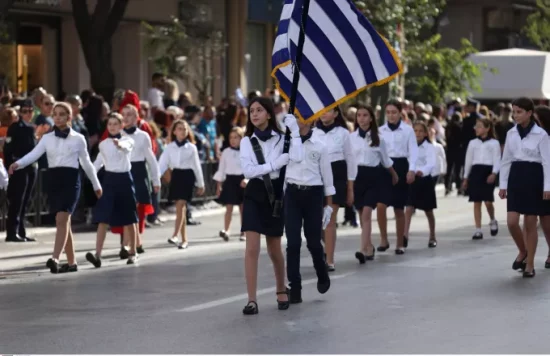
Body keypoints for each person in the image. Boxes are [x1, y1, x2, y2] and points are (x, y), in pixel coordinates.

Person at [8, 102, 102, 273]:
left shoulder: (78, 139)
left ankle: (55, 258)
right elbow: (34, 155)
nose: (58, 117)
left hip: (71, 181)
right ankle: (72, 263)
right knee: (63, 222)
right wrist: (18, 164)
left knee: (62, 219)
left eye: (62, 114)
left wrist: (96, 184)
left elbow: (87, 164)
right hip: (54, 180)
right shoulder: (47, 138)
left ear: (69, 117)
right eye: (55, 114)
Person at [239, 97, 302, 315]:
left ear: (268, 113)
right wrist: (275, 164)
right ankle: (252, 299)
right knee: (252, 248)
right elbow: (248, 171)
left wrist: (294, 132)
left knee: (274, 248)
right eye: (251, 111)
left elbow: (297, 157)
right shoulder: (247, 141)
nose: (254, 114)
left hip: (275, 194)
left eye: (259, 110)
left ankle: (280, 288)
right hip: (254, 193)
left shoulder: (282, 139)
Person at [499, 97, 550, 278]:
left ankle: (529, 265)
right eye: (514, 111)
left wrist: (547, 186)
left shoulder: (541, 135)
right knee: (512, 222)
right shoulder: (511, 133)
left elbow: (547, 162)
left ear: (529, 113)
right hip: (516, 177)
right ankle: (523, 250)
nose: (515, 115)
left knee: (530, 223)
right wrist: (503, 184)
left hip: (534, 177)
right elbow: (505, 160)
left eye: (519, 112)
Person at [285, 118, 333, 304]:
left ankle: (321, 272)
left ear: (311, 120)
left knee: (313, 242)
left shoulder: (320, 146)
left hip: (313, 194)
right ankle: (295, 287)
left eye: (301, 117)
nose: (297, 120)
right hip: (293, 194)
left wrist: (328, 205)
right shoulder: (287, 143)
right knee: (293, 243)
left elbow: (327, 178)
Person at [86, 113, 139, 267]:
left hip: (124, 180)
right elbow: (98, 163)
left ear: (121, 126)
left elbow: (126, 148)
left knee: (130, 217)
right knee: (103, 218)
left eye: (116, 124)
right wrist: (90, 174)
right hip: (109, 181)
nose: (112, 127)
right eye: (110, 124)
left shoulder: (128, 140)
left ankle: (133, 252)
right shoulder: (103, 144)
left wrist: (119, 145)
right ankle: (97, 255)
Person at [350, 105, 397, 263]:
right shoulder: (351, 137)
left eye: (365, 115)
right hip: (357, 177)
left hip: (373, 177)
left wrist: (393, 174)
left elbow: (385, 160)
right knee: (361, 213)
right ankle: (369, 246)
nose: (361, 118)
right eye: (359, 115)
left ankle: (362, 250)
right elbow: (349, 160)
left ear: (371, 118)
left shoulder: (379, 138)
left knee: (367, 214)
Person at [312, 106, 356, 272]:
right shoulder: (313, 132)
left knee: (330, 218)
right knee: (317, 220)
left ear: (336, 114)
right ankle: (324, 249)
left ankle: (329, 260)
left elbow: (351, 160)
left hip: (337, 175)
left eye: (328, 110)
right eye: (321, 110)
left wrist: (350, 187)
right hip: (317, 175)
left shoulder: (343, 133)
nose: (324, 113)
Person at [115, 104, 160, 257]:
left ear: (135, 117)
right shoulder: (117, 134)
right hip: (123, 172)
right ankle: (136, 243)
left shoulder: (143, 136)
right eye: (124, 114)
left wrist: (156, 180)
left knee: (133, 208)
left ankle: (125, 245)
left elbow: (151, 159)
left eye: (129, 114)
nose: (126, 117)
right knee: (128, 208)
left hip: (139, 172)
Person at [377, 99, 418, 254]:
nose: (391, 115)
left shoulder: (407, 130)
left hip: (401, 166)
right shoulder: (380, 131)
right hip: (384, 168)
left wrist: (412, 170)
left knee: (399, 208)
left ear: (400, 113)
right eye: (388, 112)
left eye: (394, 112)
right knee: (381, 205)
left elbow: (413, 151)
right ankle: (383, 239)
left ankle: (400, 243)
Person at [159, 119, 205, 249]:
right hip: (176, 176)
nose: (182, 131)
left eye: (184, 129)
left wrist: (200, 184)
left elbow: (197, 167)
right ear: (174, 131)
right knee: (181, 209)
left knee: (181, 205)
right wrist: (156, 178)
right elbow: (162, 164)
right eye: (179, 129)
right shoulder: (169, 147)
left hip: (188, 177)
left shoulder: (192, 147)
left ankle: (174, 235)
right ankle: (184, 240)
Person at [462, 117, 500, 240]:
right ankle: (478, 229)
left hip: (488, 172)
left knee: (488, 201)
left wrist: (494, 173)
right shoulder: (472, 143)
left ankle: (493, 220)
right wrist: (465, 177)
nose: (476, 129)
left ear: (487, 128)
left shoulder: (494, 143)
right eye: (476, 126)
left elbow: (497, 159)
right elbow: (468, 160)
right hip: (476, 172)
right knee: (476, 201)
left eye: (479, 126)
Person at [3, 100, 36, 242]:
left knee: (26, 200)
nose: (28, 114)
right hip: (19, 166)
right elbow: (8, 149)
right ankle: (12, 231)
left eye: (30, 111)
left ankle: (21, 231)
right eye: (25, 111)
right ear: (20, 113)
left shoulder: (32, 127)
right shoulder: (15, 127)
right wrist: (10, 166)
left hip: (30, 166)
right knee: (17, 200)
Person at [403, 122, 438, 249]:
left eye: (420, 131)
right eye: (415, 131)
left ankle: (432, 235)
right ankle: (405, 235)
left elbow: (431, 163)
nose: (417, 133)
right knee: (408, 208)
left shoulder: (429, 147)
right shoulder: (409, 146)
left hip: (424, 180)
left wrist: (421, 171)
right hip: (411, 180)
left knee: (428, 210)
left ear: (425, 133)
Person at [214, 126, 246, 241]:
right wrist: (219, 185)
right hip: (230, 181)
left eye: (236, 137)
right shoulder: (226, 152)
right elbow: (221, 169)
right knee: (229, 208)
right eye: (231, 137)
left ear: (241, 138)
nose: (233, 140)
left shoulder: (246, 151)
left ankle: (243, 232)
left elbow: (250, 168)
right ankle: (226, 230)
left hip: (243, 181)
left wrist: (247, 179)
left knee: (243, 208)